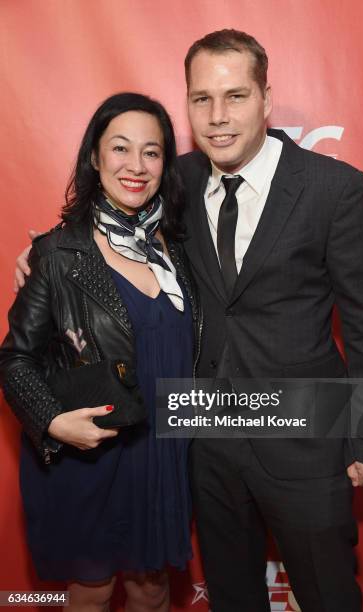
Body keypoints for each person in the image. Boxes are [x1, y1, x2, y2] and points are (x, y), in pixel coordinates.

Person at [14, 30, 363, 612]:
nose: (218, 117)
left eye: (235, 96)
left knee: (328, 595)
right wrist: (45, 253)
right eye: (201, 100)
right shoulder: (179, 179)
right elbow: (109, 213)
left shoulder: (334, 189)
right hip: (205, 439)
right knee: (233, 596)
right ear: (188, 103)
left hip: (305, 437)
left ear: (266, 99)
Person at [1, 92, 201, 612]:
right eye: (120, 148)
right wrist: (51, 422)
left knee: (152, 589)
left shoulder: (180, 248)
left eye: (152, 152)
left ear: (166, 163)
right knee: (93, 592)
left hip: (166, 452)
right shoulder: (59, 253)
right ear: (94, 156)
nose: (136, 166)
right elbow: (14, 358)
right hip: (96, 453)